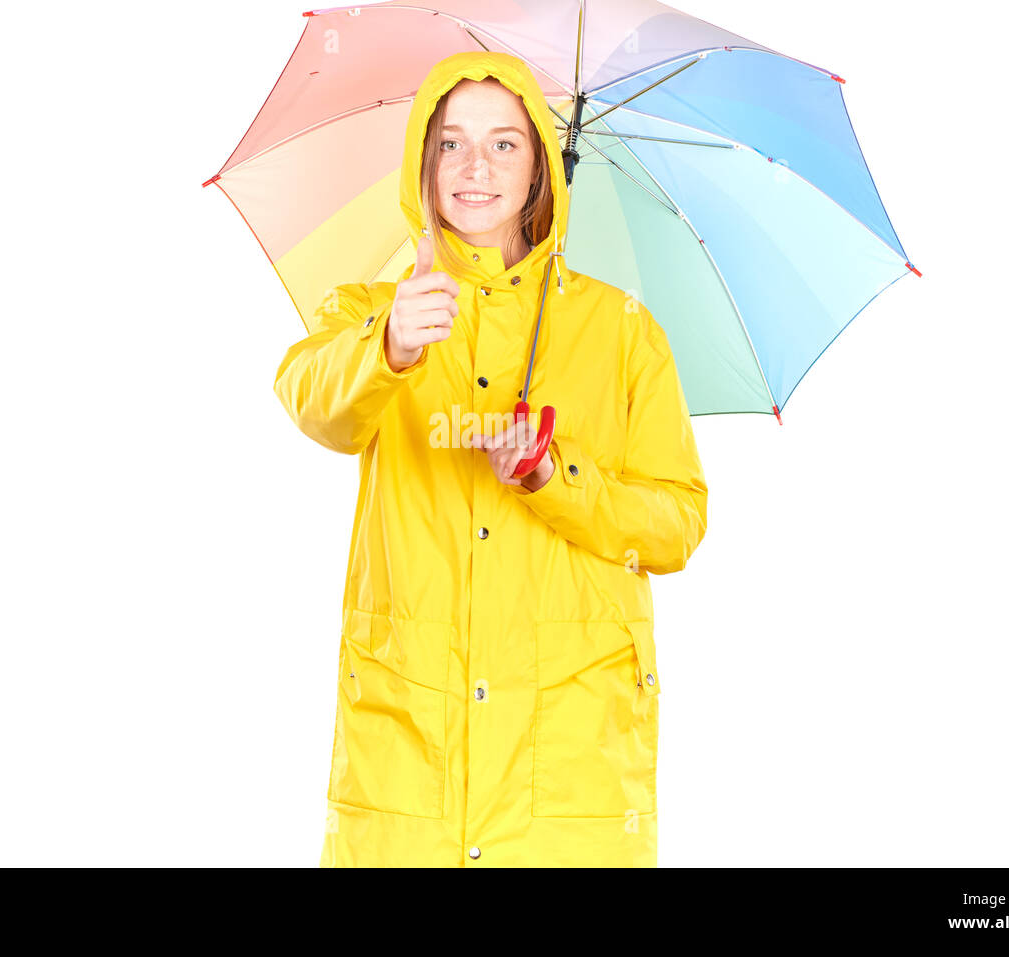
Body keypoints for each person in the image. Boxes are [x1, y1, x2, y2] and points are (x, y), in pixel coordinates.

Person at [274, 50, 708, 867]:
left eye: (506, 144)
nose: (477, 167)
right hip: (411, 753)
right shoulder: (375, 311)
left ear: (543, 168)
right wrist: (390, 347)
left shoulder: (622, 334)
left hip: (567, 762)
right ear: (421, 161)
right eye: (451, 143)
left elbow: (677, 526)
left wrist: (555, 476)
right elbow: (310, 400)